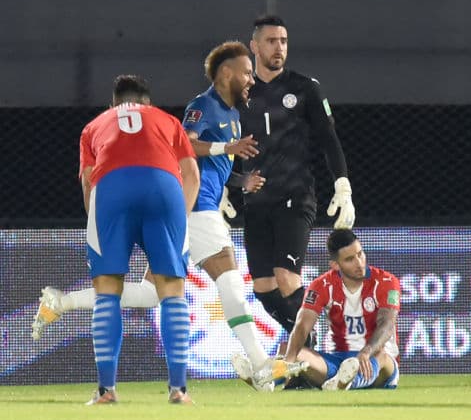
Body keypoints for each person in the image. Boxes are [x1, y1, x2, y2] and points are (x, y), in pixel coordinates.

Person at [34, 43, 298, 390]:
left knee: (149, 293)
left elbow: (210, 166)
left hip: (178, 204)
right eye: (247, 72)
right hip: (192, 205)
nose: (252, 78)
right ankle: (262, 363)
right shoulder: (203, 106)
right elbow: (186, 148)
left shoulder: (233, 116)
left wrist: (237, 182)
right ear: (226, 74)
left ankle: (61, 302)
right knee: (228, 275)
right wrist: (223, 151)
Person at [78, 75, 199, 405]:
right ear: (148, 103)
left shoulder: (94, 125)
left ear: (113, 104)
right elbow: (191, 174)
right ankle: (179, 390)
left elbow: (89, 183)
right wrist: (179, 221)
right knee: (172, 289)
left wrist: (100, 225)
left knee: (107, 289)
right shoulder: (167, 120)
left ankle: (106, 391)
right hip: (164, 187)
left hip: (112, 189)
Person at [235, 15, 356, 342]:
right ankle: (308, 344)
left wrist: (341, 184)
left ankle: (320, 345)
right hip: (257, 202)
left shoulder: (305, 88)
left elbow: (330, 140)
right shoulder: (239, 94)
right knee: (262, 286)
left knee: (286, 277)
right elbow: (227, 146)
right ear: (255, 46)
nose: (279, 48)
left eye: (284, 41)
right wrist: (224, 187)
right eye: (272, 41)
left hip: (295, 196)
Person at [235, 228, 400, 391]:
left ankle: (347, 382)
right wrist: (288, 362)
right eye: (350, 259)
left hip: (377, 362)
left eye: (360, 254)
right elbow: (302, 326)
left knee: (381, 355)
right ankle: (265, 381)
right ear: (335, 265)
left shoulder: (386, 281)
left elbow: (387, 324)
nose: (359, 263)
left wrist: (366, 351)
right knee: (289, 350)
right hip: (335, 362)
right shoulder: (322, 285)